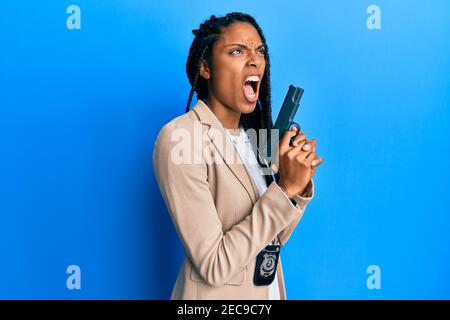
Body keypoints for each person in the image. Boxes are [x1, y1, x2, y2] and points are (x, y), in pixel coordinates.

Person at [153, 12, 323, 300]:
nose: (255, 59)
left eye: (260, 51)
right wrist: (284, 190)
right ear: (205, 67)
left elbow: (273, 238)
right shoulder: (180, 137)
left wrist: (297, 184)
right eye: (237, 51)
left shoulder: (258, 139)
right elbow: (214, 265)